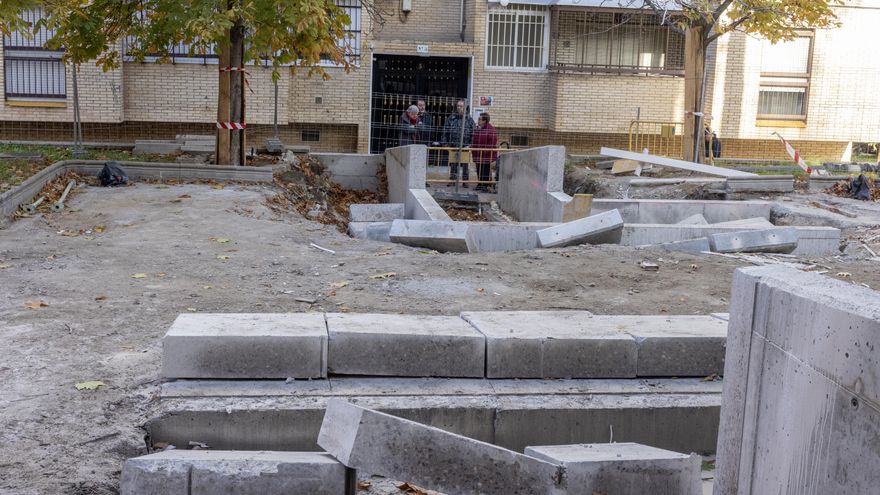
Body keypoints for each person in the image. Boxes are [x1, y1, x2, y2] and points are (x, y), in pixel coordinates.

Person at [441, 99, 475, 187]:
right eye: (458, 106)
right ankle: (452, 180)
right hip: (453, 144)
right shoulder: (451, 118)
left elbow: (473, 133)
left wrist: (471, 145)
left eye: (461, 106)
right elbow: (445, 130)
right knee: (453, 163)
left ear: (465, 107)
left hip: (465, 145)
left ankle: (465, 181)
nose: (459, 108)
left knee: (465, 164)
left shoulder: (469, 120)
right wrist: (445, 143)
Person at [471, 112, 497, 192]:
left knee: (485, 170)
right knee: (479, 170)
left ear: (484, 121)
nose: (478, 120)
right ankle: (480, 184)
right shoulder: (478, 129)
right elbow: (474, 140)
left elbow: (492, 144)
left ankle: (485, 186)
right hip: (478, 154)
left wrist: (483, 152)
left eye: (480, 119)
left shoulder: (490, 130)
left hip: (486, 155)